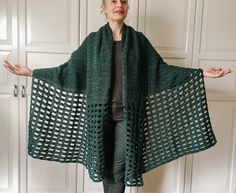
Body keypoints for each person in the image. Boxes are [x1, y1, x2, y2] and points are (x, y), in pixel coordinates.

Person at [2, 0, 232, 193]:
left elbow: (161, 71)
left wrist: (202, 73)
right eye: (113, 1)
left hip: (128, 117)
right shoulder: (93, 42)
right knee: (104, 166)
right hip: (98, 117)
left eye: (123, 1)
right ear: (103, 8)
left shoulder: (139, 41)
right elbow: (69, 71)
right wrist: (31, 72)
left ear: (127, 8)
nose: (119, 5)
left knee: (120, 168)